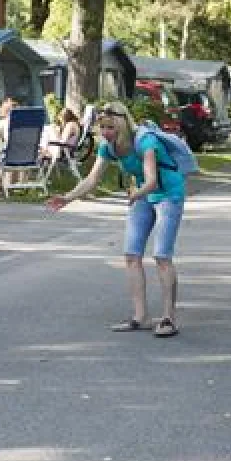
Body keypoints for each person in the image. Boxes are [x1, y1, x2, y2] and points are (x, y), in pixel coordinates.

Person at [46, 101, 186, 337]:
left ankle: (168, 318)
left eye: (110, 127)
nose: (105, 132)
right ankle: (140, 316)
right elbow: (92, 179)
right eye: (102, 127)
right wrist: (68, 197)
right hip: (142, 193)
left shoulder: (144, 141)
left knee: (162, 255)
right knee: (131, 255)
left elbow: (152, 180)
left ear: (122, 124)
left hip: (167, 193)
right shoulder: (108, 147)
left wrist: (137, 194)